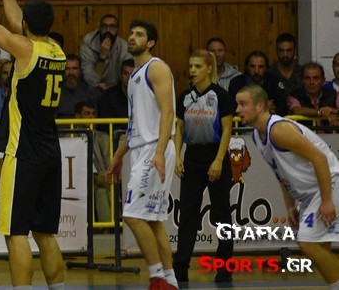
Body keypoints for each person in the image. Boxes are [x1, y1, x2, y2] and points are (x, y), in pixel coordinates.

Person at [0, 0, 66, 289]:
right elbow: (18, 23)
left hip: (23, 152)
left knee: (15, 233)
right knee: (45, 233)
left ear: (27, 24)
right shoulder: (55, 50)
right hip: (51, 152)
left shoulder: (25, 50)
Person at [236, 84, 339, 288]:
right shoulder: (257, 135)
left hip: (329, 183)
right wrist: (291, 205)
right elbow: (281, 173)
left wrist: (327, 200)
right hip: (311, 193)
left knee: (307, 242)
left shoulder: (279, 130)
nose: (237, 110)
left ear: (259, 106)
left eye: (242, 104)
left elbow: (319, 159)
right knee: (320, 248)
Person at [105, 20, 178, 290]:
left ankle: (156, 277)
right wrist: (118, 155)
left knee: (132, 216)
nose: (132, 37)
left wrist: (158, 152)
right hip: (142, 148)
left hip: (154, 148)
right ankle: (170, 280)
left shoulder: (156, 68)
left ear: (151, 42)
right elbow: (134, 123)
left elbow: (168, 112)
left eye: (139, 34)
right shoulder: (135, 75)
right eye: (131, 33)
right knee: (152, 220)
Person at [173, 50, 235, 284]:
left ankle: (225, 266)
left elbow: (227, 129)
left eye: (197, 66)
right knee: (188, 214)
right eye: (191, 66)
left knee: (222, 214)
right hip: (192, 157)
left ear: (209, 68)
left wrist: (218, 160)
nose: (192, 70)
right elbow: (179, 128)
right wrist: (177, 156)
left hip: (215, 154)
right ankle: (180, 267)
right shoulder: (184, 96)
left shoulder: (221, 96)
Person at [75, 100, 110, 225]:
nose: (91, 117)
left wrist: (101, 178)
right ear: (77, 117)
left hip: (100, 178)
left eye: (93, 114)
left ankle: (107, 230)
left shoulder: (104, 138)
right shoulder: (70, 137)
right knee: (91, 190)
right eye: (87, 114)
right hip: (79, 181)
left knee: (101, 192)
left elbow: (109, 164)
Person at [80, 13, 132, 91]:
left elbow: (128, 78)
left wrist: (111, 89)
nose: (108, 30)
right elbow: (91, 80)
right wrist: (102, 56)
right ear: (99, 29)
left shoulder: (124, 47)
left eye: (112, 27)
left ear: (117, 30)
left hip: (117, 90)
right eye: (104, 26)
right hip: (92, 89)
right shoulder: (87, 46)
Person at [228, 50, 288, 116]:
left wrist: (274, 109)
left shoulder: (274, 82)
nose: (256, 71)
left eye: (260, 67)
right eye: (252, 66)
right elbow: (231, 109)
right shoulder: (236, 83)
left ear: (266, 68)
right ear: (247, 67)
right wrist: (263, 107)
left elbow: (283, 108)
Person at [287, 62, 338, 126]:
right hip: (305, 132)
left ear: (323, 81)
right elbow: (296, 110)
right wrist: (320, 112)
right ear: (302, 80)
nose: (311, 82)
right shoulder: (294, 95)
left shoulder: (334, 94)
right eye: (307, 78)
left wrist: (333, 111)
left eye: (316, 78)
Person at [57, 54, 100, 119]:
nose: (71, 72)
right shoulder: (55, 91)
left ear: (80, 71)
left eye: (74, 69)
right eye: (67, 69)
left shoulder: (89, 92)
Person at [268, 32, 303, 97]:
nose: (285, 54)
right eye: (281, 50)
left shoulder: (302, 72)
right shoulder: (269, 73)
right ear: (277, 51)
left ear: (295, 51)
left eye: (289, 50)